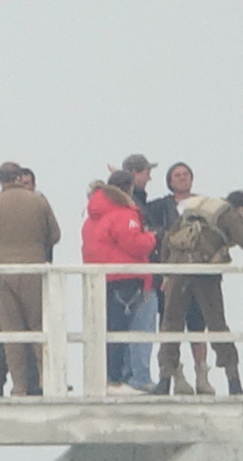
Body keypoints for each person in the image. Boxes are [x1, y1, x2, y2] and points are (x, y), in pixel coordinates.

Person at [153, 189, 243, 396]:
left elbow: (168, 239)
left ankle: (164, 381)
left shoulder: (194, 208)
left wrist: (166, 275)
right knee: (217, 325)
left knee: (171, 324)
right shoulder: (229, 214)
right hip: (205, 273)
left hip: (178, 270)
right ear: (241, 208)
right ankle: (234, 381)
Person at [0, 163, 61, 398]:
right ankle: (47, 380)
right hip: (34, 270)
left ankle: (19, 386)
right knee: (38, 327)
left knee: (11, 332)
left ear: (0, 180)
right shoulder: (38, 201)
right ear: (18, 177)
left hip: (6, 272)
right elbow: (55, 234)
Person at [142, 161, 216, 394]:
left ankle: (202, 375)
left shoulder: (205, 205)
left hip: (199, 275)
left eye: (186, 174)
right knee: (171, 326)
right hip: (171, 278)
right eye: (177, 175)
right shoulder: (159, 207)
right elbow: (141, 213)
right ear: (170, 181)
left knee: (198, 326)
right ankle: (176, 375)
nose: (182, 178)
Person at [81, 171, 156, 394]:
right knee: (135, 329)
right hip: (127, 278)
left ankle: (112, 377)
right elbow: (135, 244)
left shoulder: (92, 216)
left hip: (104, 279)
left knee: (112, 329)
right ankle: (127, 379)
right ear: (130, 188)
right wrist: (152, 237)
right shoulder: (124, 214)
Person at [118, 155, 160, 390]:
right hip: (138, 276)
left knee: (124, 328)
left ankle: (126, 375)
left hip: (126, 276)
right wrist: (153, 237)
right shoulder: (131, 207)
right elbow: (135, 242)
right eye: (146, 172)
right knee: (141, 326)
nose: (149, 177)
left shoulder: (133, 202)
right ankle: (138, 376)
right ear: (134, 174)